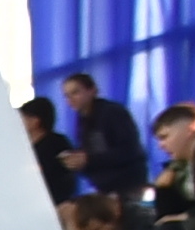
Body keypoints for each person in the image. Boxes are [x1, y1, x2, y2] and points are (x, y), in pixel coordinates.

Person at [56, 70, 151, 205]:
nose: (70, 100)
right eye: (66, 96)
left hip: (128, 185)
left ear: (92, 90)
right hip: (105, 187)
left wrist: (88, 159)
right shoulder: (82, 119)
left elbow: (129, 150)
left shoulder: (113, 112)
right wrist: (78, 162)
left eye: (75, 92)